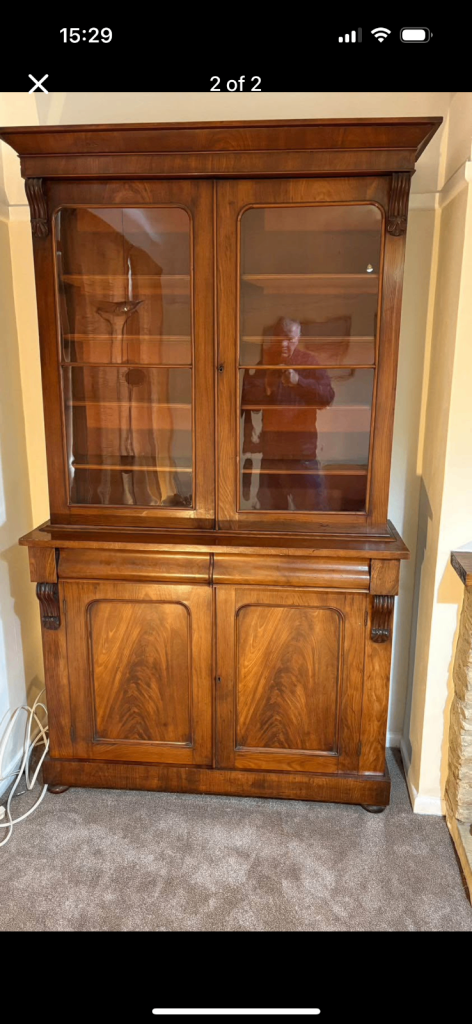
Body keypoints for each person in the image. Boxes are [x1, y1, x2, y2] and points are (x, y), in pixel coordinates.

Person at [241, 317, 335, 511]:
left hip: (303, 456)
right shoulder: (265, 363)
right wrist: (266, 386)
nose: (283, 344)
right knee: (270, 519)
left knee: (311, 518)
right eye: (279, 338)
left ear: (298, 338)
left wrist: (298, 381)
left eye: (289, 339)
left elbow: (327, 397)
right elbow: (249, 404)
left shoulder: (309, 362)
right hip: (272, 455)